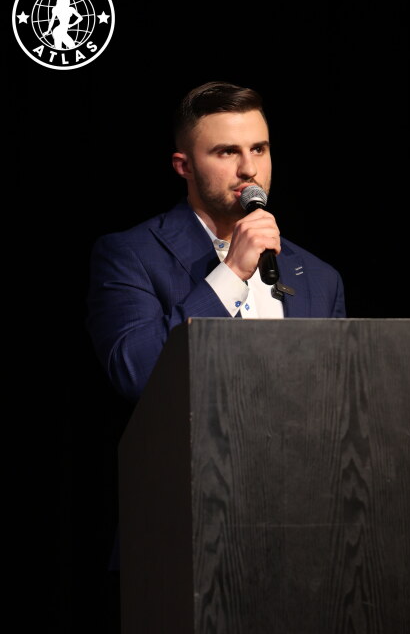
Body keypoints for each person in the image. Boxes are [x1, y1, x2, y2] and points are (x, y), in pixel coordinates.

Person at [86, 81, 346, 402]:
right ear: (184, 166)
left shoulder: (320, 277)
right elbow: (136, 375)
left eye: (258, 149)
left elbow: (337, 401)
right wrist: (231, 273)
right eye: (227, 152)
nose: (249, 169)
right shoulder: (130, 255)